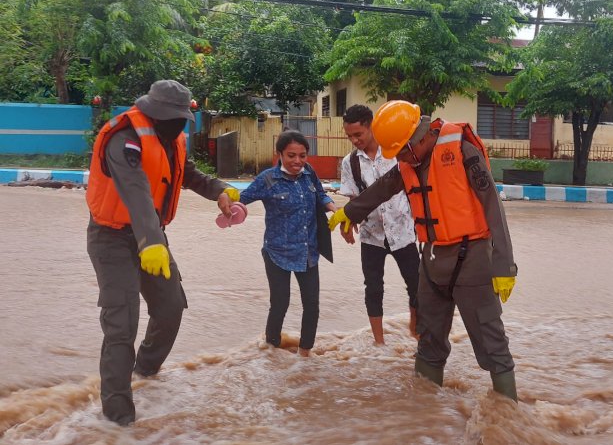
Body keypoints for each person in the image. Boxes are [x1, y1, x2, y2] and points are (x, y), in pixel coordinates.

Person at [328, 100, 519, 401]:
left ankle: (509, 417)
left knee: (491, 340)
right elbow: (382, 188)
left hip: (472, 258)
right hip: (430, 259)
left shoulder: (462, 151)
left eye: (403, 150)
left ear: (422, 135)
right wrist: (349, 212)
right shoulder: (409, 162)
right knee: (429, 341)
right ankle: (425, 417)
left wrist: (504, 265)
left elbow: (492, 206)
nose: (401, 158)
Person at [86, 79, 240, 426]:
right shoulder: (124, 138)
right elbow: (135, 190)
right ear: (154, 112)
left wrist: (221, 190)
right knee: (121, 325)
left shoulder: (172, 141)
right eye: (174, 118)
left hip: (151, 238)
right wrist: (150, 242)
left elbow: (191, 176)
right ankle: (118, 421)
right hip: (112, 238)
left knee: (171, 306)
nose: (179, 125)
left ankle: (144, 373)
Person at [239, 130, 336, 357]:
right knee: (280, 304)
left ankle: (305, 354)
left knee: (312, 305)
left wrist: (334, 208)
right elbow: (241, 200)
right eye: (291, 155)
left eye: (302, 156)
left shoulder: (309, 173)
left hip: (308, 251)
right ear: (280, 154)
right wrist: (229, 206)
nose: (298, 161)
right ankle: (271, 351)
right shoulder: (267, 179)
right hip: (277, 253)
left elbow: (321, 195)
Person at [340, 104, 420, 345]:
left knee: (417, 286)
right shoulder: (350, 162)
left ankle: (415, 331)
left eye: (358, 134)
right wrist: (347, 225)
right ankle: (379, 342)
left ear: (371, 127)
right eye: (350, 136)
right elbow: (354, 200)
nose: (354, 140)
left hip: (403, 232)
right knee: (373, 288)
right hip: (371, 235)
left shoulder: (396, 153)